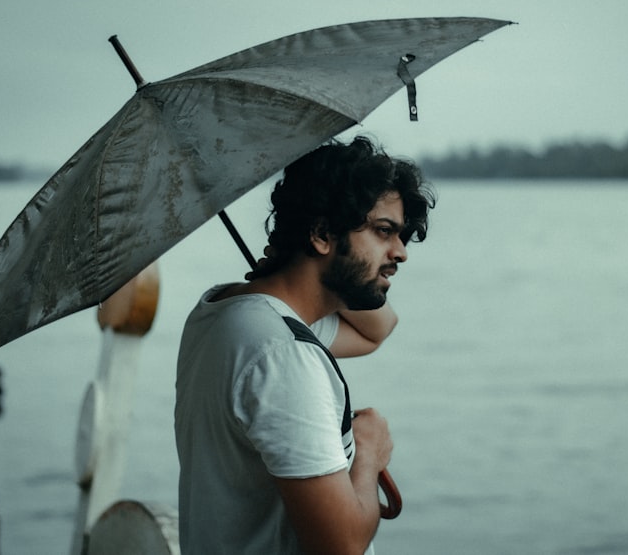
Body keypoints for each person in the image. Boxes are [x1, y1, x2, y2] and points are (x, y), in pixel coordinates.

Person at [174, 136, 435, 554]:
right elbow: (342, 544)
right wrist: (368, 454)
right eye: (384, 231)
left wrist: (288, 260)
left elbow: (377, 329)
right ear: (321, 232)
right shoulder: (283, 354)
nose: (400, 252)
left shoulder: (222, 312)